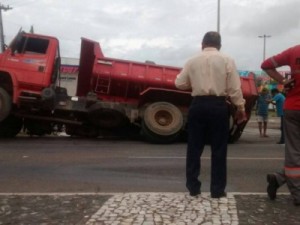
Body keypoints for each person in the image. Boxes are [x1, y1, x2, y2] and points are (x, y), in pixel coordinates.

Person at [175, 31, 247, 198]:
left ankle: (193, 187)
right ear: (219, 45)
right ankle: (217, 190)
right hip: (218, 105)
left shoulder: (192, 60)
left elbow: (179, 83)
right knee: (219, 149)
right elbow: (234, 89)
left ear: (202, 44)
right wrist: (241, 108)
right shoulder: (227, 60)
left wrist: (193, 83)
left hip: (198, 105)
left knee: (194, 147)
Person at [261, 45, 300, 206]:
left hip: (292, 108)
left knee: (294, 151)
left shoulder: (294, 51)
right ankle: (297, 194)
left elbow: (266, 65)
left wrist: (283, 81)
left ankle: (279, 179)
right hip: (292, 108)